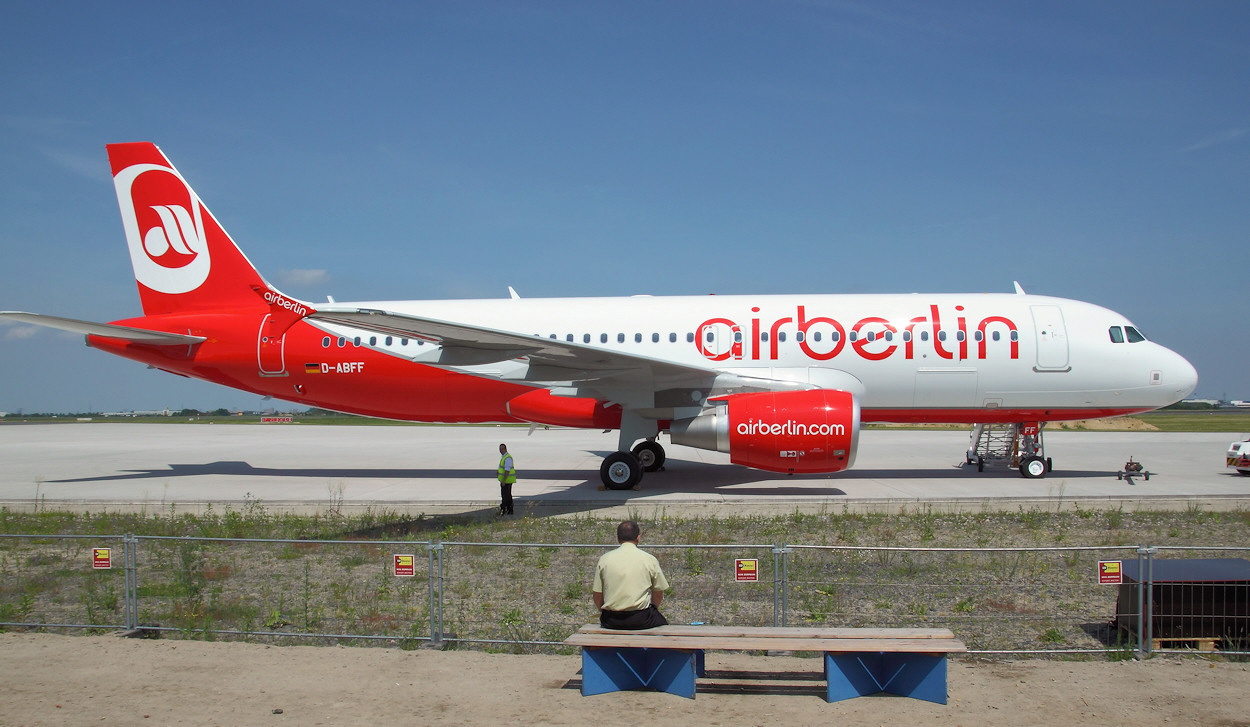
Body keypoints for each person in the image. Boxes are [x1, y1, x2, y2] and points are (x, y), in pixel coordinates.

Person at [592, 520, 669, 629]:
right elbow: (658, 592)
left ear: (618, 539)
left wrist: (603, 610)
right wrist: (653, 607)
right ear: (638, 538)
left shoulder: (605, 559)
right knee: (662, 625)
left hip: (611, 619)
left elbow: (597, 594)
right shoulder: (649, 559)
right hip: (641, 618)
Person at [496, 443, 515, 515]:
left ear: (506, 449)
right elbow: (503, 468)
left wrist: (504, 481)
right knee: (506, 495)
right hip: (505, 480)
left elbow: (507, 470)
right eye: (500, 449)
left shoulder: (507, 458)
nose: (501, 450)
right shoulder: (504, 457)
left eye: (502, 449)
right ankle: (508, 509)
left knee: (505, 496)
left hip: (507, 480)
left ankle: (504, 509)